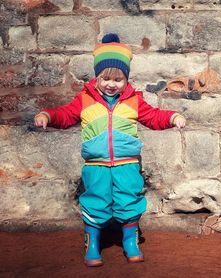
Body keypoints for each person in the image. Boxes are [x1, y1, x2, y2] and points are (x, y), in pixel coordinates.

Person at [34, 33, 186, 267]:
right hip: (96, 165)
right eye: (106, 78)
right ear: (97, 77)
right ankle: (93, 243)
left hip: (127, 165)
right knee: (96, 200)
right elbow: (65, 115)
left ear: (126, 79)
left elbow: (153, 117)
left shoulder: (134, 101)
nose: (111, 84)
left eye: (118, 79)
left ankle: (130, 241)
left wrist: (173, 117)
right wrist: (47, 115)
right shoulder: (85, 100)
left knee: (128, 200)